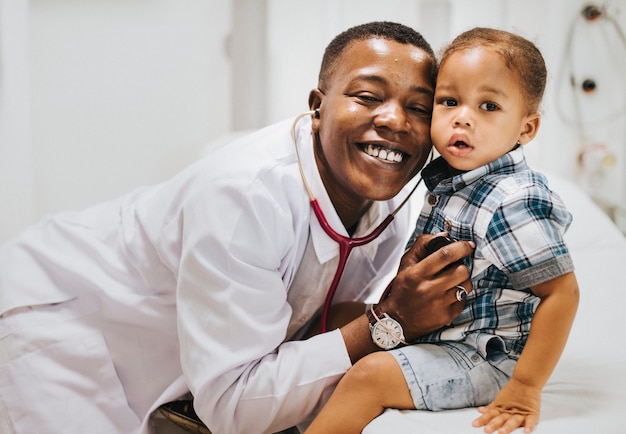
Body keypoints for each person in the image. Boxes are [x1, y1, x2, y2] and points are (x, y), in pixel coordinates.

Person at [0, 22, 475, 434]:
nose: (395, 120)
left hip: (163, 351)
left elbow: (311, 326)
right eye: (367, 96)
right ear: (318, 105)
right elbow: (233, 411)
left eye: (419, 107)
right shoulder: (243, 197)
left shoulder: (385, 208)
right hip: (58, 316)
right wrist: (388, 321)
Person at [303, 27, 580, 434]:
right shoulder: (453, 182)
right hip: (442, 331)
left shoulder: (512, 200)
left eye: (488, 106)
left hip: (484, 355)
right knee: (338, 316)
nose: (463, 116)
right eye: (449, 101)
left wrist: (525, 386)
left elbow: (562, 293)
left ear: (526, 129)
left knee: (371, 376)